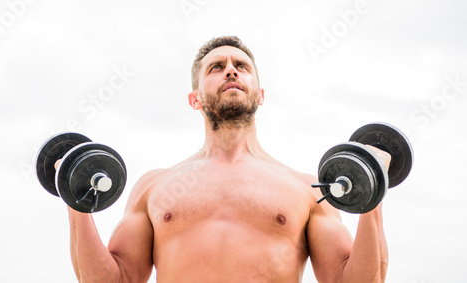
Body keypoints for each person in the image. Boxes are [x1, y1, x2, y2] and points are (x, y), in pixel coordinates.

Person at [63, 36, 392, 282]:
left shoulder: (305, 189)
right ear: (195, 99)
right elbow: (116, 280)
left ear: (259, 95)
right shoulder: (155, 186)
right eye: (216, 68)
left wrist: (373, 190)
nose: (231, 71)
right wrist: (74, 193)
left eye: (241, 67)